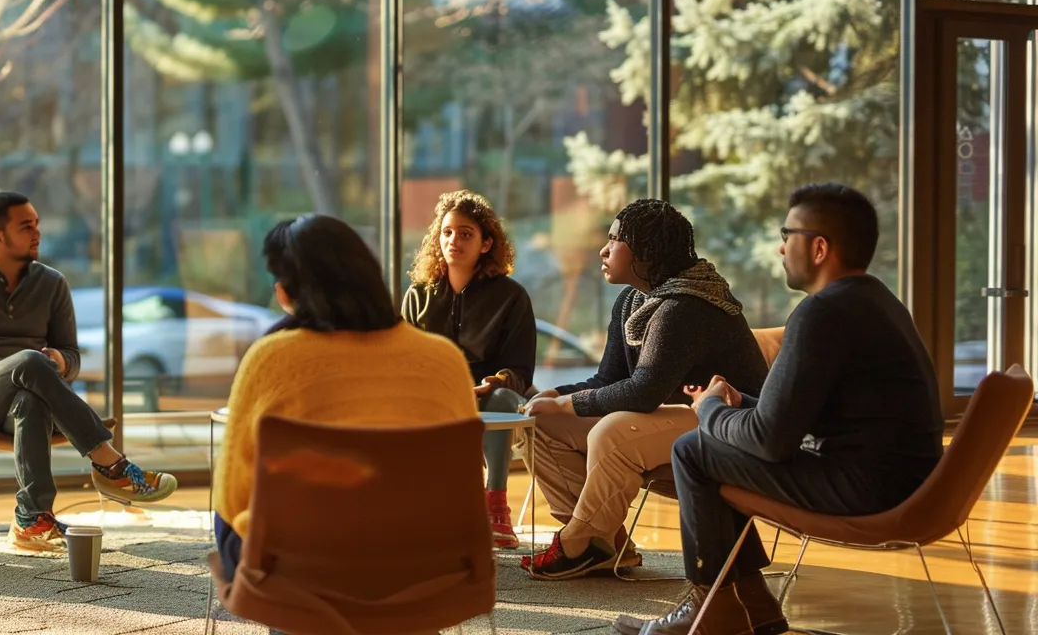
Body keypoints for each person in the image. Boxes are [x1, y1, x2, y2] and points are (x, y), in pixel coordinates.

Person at [614, 184, 942, 635]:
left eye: (789, 233)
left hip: (870, 489)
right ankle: (752, 604)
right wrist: (740, 403)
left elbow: (771, 440)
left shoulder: (821, 313)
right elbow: (796, 416)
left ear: (820, 246)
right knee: (713, 444)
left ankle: (711, 610)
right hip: (907, 482)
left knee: (694, 451)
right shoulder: (874, 300)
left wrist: (709, 410)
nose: (781, 246)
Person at [217, 214, 480, 581]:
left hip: (302, 575)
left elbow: (234, 499)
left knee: (230, 509)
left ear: (283, 293)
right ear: (372, 277)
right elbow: (465, 480)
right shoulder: (444, 360)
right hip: (423, 570)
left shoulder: (271, 358)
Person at [522, 199, 769, 580]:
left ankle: (576, 542)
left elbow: (642, 392)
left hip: (727, 425)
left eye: (615, 239)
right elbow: (609, 381)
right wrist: (555, 397)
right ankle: (605, 545)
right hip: (673, 423)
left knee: (612, 430)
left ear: (647, 250)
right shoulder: (633, 300)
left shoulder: (686, 305)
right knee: (535, 425)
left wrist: (569, 403)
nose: (603, 250)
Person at [0, 191, 178, 552]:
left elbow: (71, 356)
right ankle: (109, 463)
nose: (37, 233)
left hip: (33, 397)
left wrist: (59, 361)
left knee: (31, 397)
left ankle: (31, 519)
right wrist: (22, 363)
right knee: (28, 364)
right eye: (26, 226)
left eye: (37, 224)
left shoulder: (52, 283)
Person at [401, 190, 535, 549]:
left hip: (490, 395)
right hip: (436, 395)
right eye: (446, 232)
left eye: (465, 233)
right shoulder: (418, 295)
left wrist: (493, 382)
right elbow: (405, 361)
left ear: (486, 243)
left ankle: (495, 503)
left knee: (505, 398)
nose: (453, 240)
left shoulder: (512, 296)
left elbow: (521, 367)